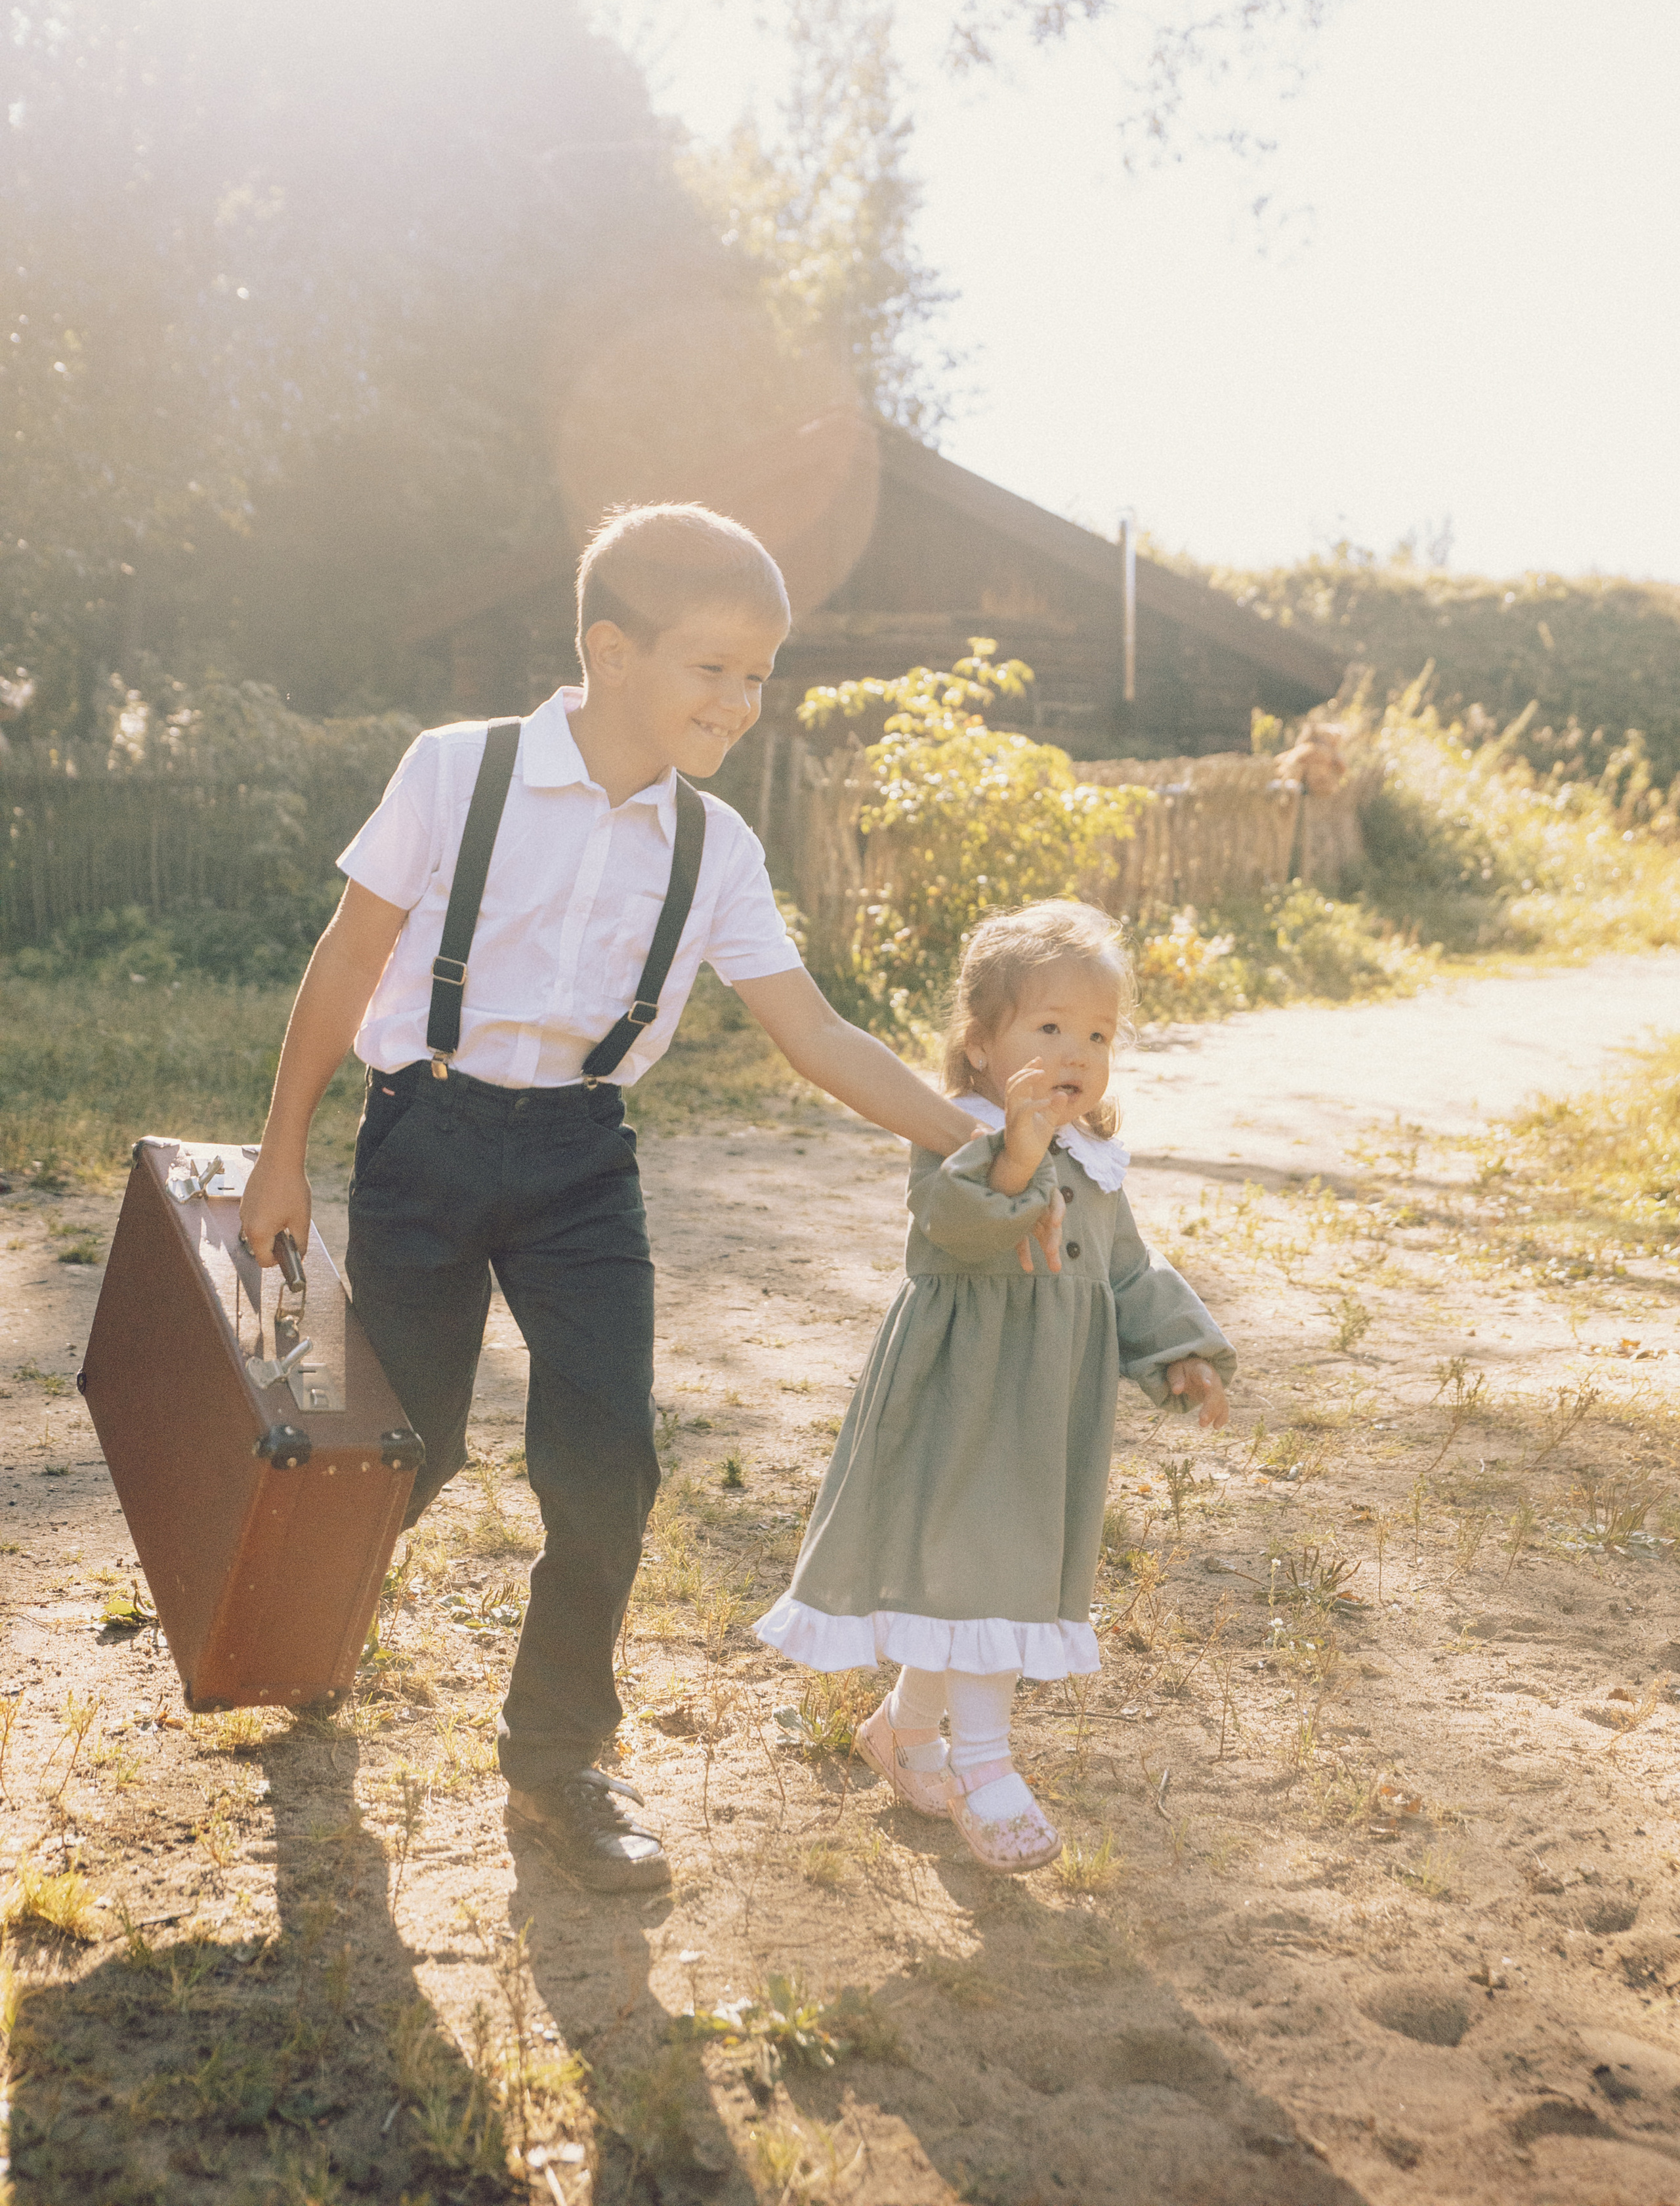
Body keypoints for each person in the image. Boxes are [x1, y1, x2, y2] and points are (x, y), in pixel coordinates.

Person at [239, 503, 1046, 1893]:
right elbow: (350, 958)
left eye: (757, 676)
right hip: (424, 1135)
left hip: (579, 1166)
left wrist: (981, 1135)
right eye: (712, 668)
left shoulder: (714, 847)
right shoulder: (458, 773)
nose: (738, 702)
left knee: (607, 1466)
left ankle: (560, 1760)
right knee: (404, 1452)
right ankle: (302, 1625)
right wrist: (279, 1153)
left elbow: (815, 1031)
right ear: (610, 651)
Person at [755, 899, 1235, 1873]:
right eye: (1049, 1027)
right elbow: (955, 1226)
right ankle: (983, 1762)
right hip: (963, 1393)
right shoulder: (959, 1131)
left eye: (1097, 1033)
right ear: (978, 1045)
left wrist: (1180, 1353)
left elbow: (1126, 1272)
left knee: (976, 1580)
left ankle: (903, 1730)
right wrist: (1017, 1153)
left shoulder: (1096, 1157)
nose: (1077, 1050)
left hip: (1045, 1406)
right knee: (983, 1573)